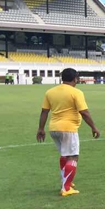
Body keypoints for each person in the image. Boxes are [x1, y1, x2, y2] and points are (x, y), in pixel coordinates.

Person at [36, 68, 100, 197]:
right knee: (73, 156)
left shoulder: (50, 92)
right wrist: (94, 127)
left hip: (53, 128)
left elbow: (44, 111)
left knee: (65, 155)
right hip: (68, 128)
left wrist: (41, 129)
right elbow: (84, 112)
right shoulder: (76, 92)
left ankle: (66, 182)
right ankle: (66, 188)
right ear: (75, 78)